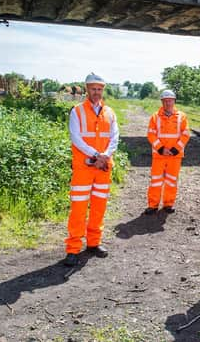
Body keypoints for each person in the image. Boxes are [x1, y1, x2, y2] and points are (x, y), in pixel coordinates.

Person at [64, 73, 119, 267]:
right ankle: (73, 249)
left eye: (99, 89)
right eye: (93, 89)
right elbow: (76, 138)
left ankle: (94, 243)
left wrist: (104, 155)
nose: (96, 92)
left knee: (99, 206)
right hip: (84, 168)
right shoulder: (77, 112)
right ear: (87, 89)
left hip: (103, 168)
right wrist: (97, 154)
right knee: (78, 208)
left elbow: (115, 138)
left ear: (103, 90)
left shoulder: (110, 113)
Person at [145, 89, 190, 214]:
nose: (168, 103)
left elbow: (186, 134)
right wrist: (160, 148)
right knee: (156, 181)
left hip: (175, 156)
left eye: (170, 101)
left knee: (171, 180)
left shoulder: (182, 117)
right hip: (159, 155)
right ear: (162, 102)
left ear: (174, 101)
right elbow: (151, 134)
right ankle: (153, 205)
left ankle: (168, 204)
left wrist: (176, 149)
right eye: (165, 101)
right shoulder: (155, 117)